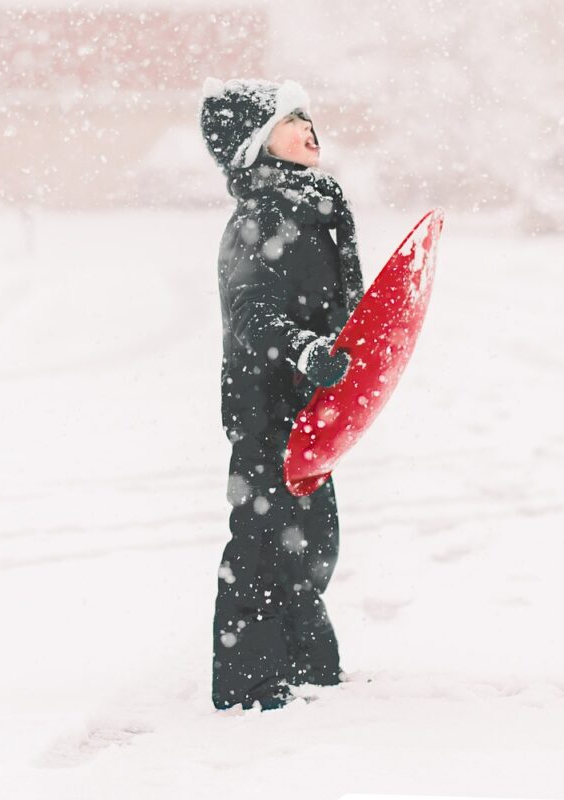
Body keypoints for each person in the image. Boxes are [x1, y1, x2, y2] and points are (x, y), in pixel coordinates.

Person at [199, 76, 365, 712]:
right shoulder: (263, 216)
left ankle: (308, 665)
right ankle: (249, 683)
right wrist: (302, 350)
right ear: (256, 143)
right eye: (292, 119)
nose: (310, 127)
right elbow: (251, 311)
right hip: (268, 404)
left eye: (308, 115)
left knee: (312, 537)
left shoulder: (311, 204)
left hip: (308, 405)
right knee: (265, 541)